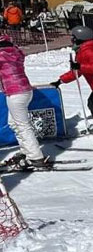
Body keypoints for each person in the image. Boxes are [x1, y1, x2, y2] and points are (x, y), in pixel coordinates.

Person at [0, 35, 49, 169]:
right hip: (26, 91)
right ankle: (26, 150)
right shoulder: (15, 52)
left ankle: (35, 157)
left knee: (22, 125)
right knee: (13, 123)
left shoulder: (1, 55)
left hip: (15, 93)